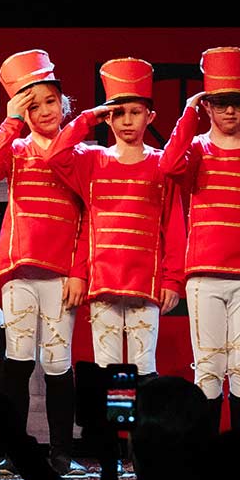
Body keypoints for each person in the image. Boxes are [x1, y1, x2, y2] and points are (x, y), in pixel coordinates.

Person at [160, 47, 240, 432]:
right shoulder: (196, 149)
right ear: (208, 106)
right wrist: (188, 114)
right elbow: (168, 164)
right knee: (209, 367)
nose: (230, 111)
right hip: (204, 277)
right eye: (220, 103)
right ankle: (208, 452)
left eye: (237, 102)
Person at [0, 49, 90, 474]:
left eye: (50, 101)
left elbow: (91, 217)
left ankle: (62, 452)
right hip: (19, 272)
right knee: (18, 362)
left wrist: (79, 272)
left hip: (61, 276)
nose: (44, 111)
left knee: (58, 365)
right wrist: (10, 121)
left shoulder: (81, 153)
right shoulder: (17, 149)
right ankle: (14, 450)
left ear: (63, 103)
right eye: (33, 105)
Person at [46, 58, 185, 381]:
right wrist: (89, 117)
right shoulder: (93, 160)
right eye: (118, 113)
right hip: (103, 280)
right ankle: (114, 418)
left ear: (150, 116)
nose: (127, 121)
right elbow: (55, 155)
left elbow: (174, 225)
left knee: (143, 367)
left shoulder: (162, 164)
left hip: (146, 281)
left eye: (135, 112)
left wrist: (172, 279)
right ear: (108, 118)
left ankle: (141, 418)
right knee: (108, 370)